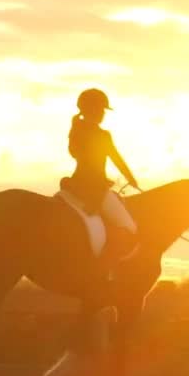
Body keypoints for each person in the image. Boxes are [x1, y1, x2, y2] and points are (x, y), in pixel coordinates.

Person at [60, 88, 140, 266]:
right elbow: (116, 158)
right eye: (102, 110)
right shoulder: (103, 135)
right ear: (95, 110)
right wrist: (131, 179)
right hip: (95, 189)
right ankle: (103, 267)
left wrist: (75, 128)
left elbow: (73, 153)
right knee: (129, 227)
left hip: (75, 185)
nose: (103, 114)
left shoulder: (77, 130)